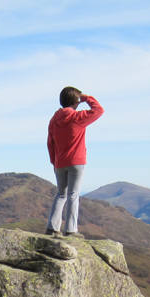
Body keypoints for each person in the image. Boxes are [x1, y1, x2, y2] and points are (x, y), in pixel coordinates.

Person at [45, 86, 104, 237]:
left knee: (61, 194)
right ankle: (71, 230)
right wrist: (86, 98)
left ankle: (52, 228)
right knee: (73, 194)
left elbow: (50, 143)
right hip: (76, 161)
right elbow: (98, 110)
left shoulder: (54, 120)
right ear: (76, 101)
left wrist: (54, 161)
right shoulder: (78, 117)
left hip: (59, 162)